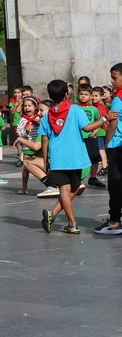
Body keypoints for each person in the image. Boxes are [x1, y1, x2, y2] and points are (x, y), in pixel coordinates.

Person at [39, 80, 105, 234]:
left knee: (66, 189)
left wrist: (45, 159)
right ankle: (71, 223)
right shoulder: (75, 110)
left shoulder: (48, 116)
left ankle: (56, 216)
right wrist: (104, 119)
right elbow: (87, 128)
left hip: (58, 157)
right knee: (73, 188)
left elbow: (44, 139)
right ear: (66, 94)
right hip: (75, 156)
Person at [94, 63, 122, 235]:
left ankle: (114, 221)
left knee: (115, 184)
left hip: (117, 145)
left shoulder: (118, 98)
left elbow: (113, 124)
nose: (112, 81)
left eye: (114, 78)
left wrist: (106, 144)